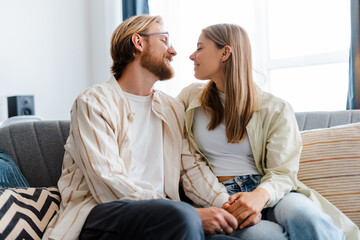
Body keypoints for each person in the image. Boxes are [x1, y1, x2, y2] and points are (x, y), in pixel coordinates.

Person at [42, 15, 245, 240]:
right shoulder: (93, 102)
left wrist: (227, 205)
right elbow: (107, 182)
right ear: (139, 43)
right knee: (181, 217)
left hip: (167, 219)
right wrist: (193, 215)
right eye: (164, 40)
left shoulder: (173, 108)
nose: (174, 51)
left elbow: (191, 169)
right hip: (100, 215)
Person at [178, 23, 360, 240]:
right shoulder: (190, 98)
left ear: (225, 52)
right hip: (221, 195)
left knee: (306, 217)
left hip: (269, 190)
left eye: (199, 48)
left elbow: (283, 172)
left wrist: (259, 196)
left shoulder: (276, 108)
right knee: (266, 236)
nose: (191, 55)